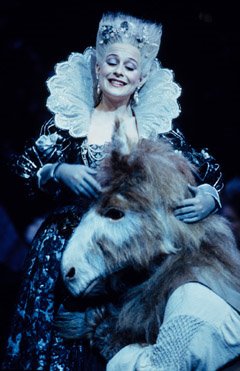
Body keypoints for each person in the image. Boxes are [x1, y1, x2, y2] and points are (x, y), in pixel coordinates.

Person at [2, 11, 224, 371]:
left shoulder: (154, 131)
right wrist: (58, 170)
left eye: (130, 66)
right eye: (113, 62)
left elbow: (206, 170)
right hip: (62, 248)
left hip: (126, 256)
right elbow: (23, 168)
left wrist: (207, 198)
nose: (120, 71)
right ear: (98, 67)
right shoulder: (72, 123)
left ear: (142, 77)